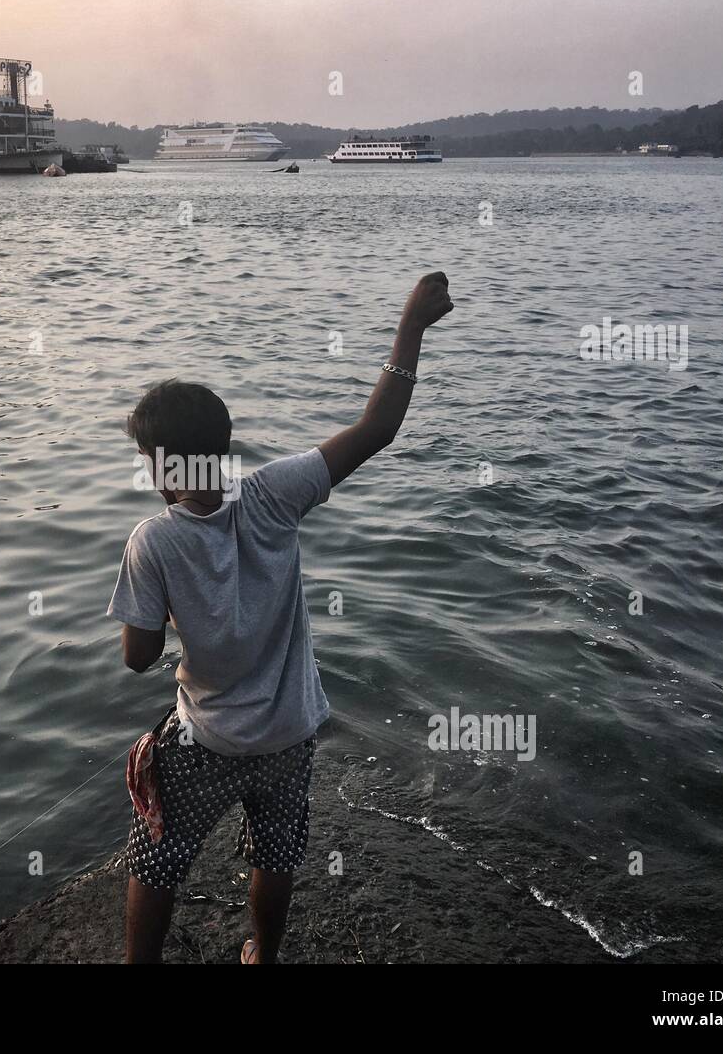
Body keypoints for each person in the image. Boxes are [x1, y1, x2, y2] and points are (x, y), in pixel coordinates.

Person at [108, 272, 454, 963]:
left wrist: (170, 617)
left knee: (153, 857)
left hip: (209, 739)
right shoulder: (274, 494)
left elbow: (138, 656)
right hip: (292, 729)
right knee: (275, 851)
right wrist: (410, 326)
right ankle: (263, 955)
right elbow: (376, 427)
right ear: (226, 448)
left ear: (159, 466)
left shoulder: (154, 540)